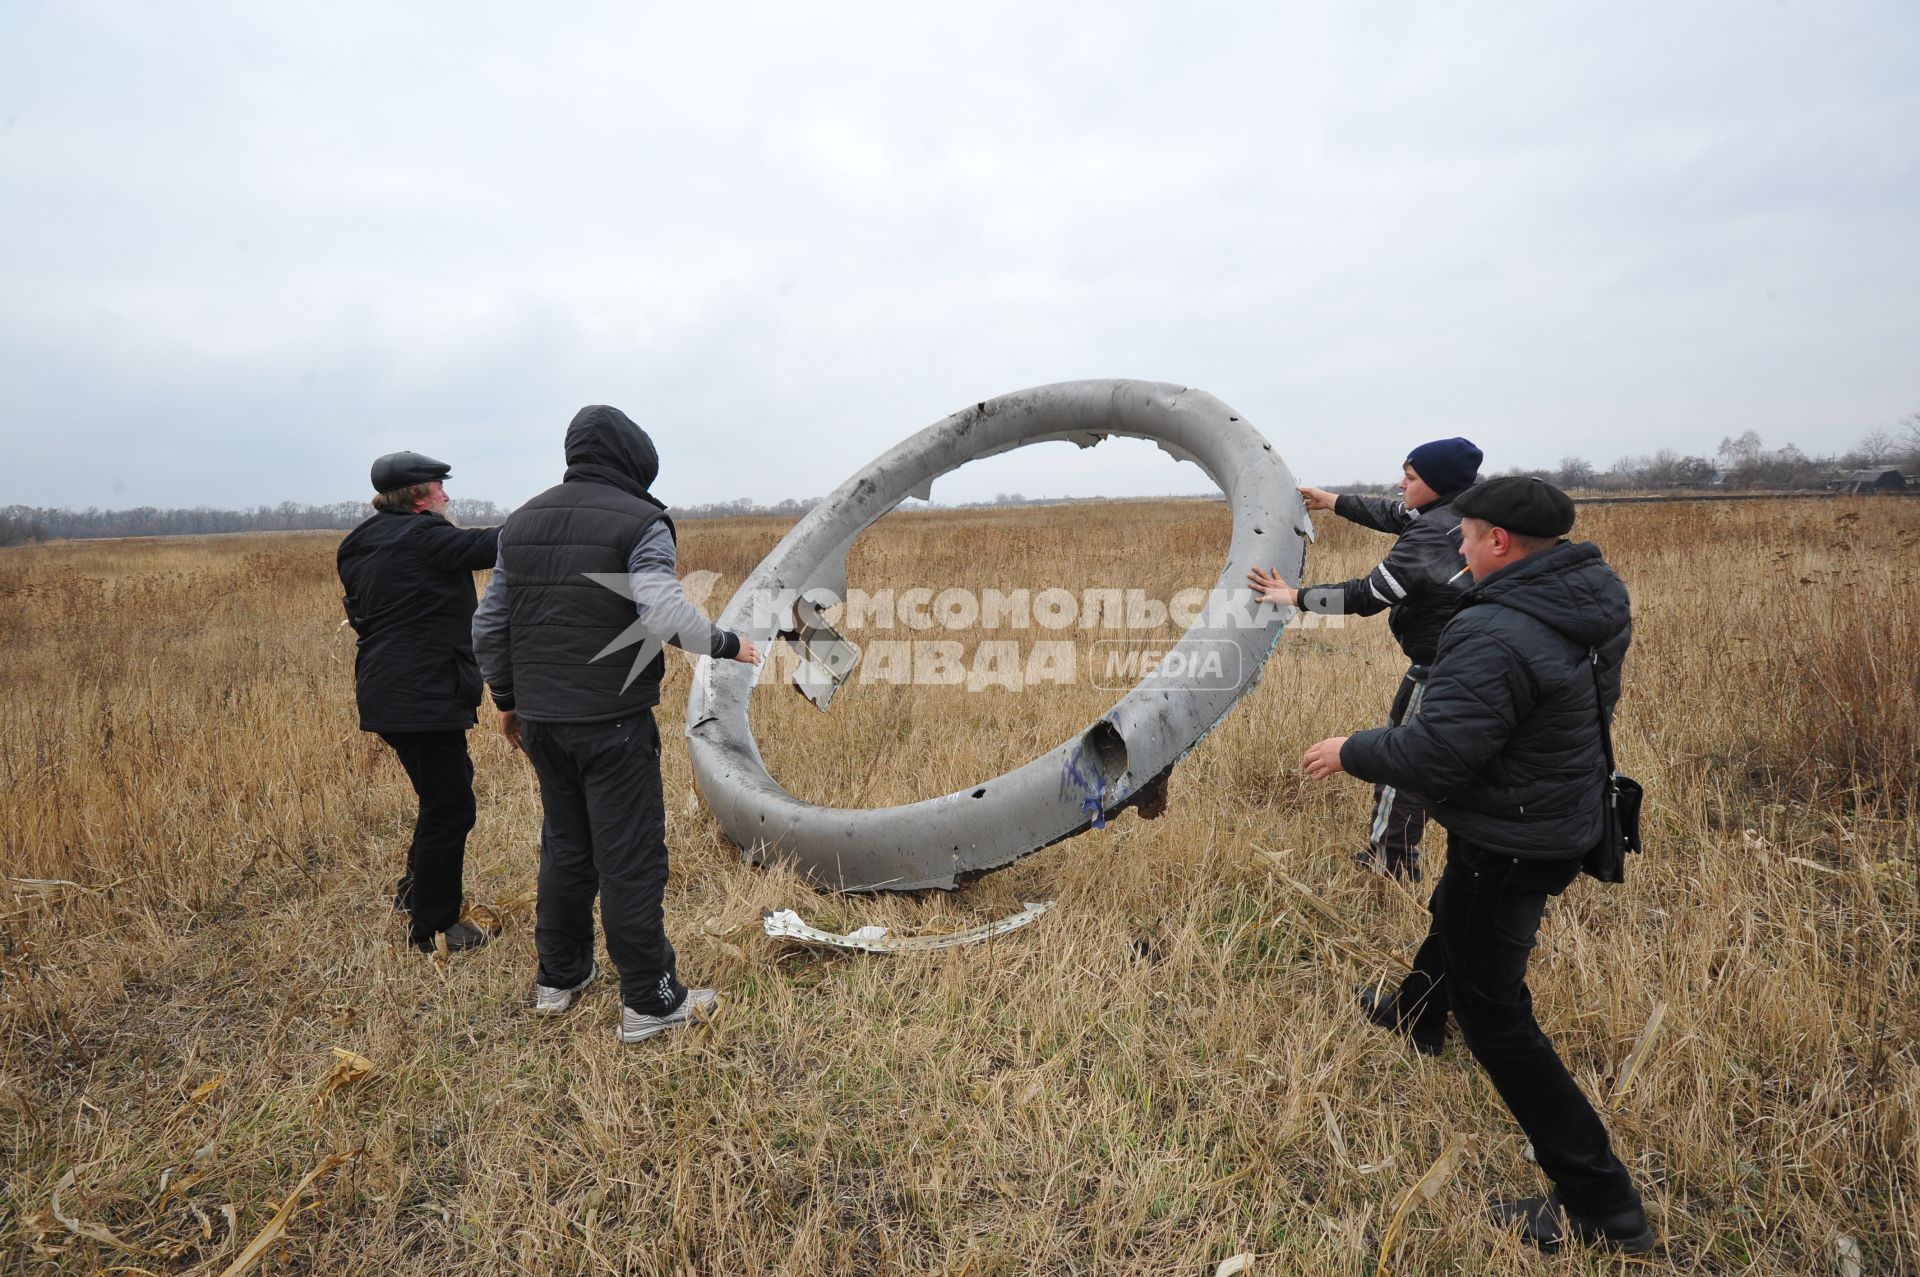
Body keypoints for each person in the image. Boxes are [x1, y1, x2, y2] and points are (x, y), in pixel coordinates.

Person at [1299, 476, 1653, 1255]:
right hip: (1555, 811)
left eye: (1468, 532)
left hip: (1515, 832)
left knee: (1497, 1014)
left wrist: (1349, 748)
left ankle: (1603, 1203)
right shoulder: (1588, 592)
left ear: (1498, 541)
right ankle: (1419, 1013)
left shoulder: (1496, 630)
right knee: (1458, 914)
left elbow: (1438, 749)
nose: (1456, 541)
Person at [472, 405, 760, 1044]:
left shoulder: (520, 523)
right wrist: (725, 643)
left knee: (567, 847)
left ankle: (560, 977)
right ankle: (651, 1002)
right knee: (629, 858)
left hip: (543, 722)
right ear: (637, 458)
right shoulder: (642, 521)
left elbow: (488, 624)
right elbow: (662, 612)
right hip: (611, 723)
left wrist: (508, 698)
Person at [1250, 437, 1482, 880]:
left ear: (1437, 484)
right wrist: (1331, 501)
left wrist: (1295, 597)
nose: (1401, 484)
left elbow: (1371, 594)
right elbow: (1393, 514)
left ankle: (1391, 863)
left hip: (1440, 664)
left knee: (1405, 760)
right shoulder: (1456, 514)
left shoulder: (1433, 531)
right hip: (1465, 658)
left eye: (1410, 478)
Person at [337, 451, 501, 953]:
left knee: (441, 797)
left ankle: (414, 892)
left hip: (386, 691)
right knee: (451, 807)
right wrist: (551, 520)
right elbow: (489, 546)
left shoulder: (356, 543)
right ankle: (434, 926)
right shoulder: (425, 536)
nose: (446, 497)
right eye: (438, 488)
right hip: (423, 696)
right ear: (416, 498)